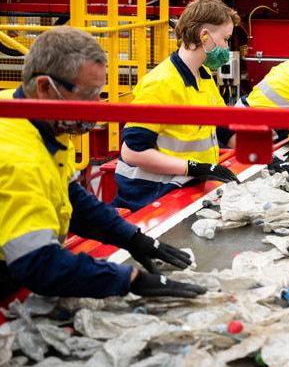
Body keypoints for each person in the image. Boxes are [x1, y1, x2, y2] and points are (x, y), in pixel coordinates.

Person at [0, 26, 205, 299]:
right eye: (88, 95)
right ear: (45, 87)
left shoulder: (31, 117)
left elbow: (71, 198)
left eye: (100, 91)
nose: (98, 104)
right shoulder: (17, 158)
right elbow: (39, 265)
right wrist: (128, 279)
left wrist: (132, 237)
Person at [113, 0, 241, 212]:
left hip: (185, 187)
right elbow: (132, 152)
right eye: (225, 39)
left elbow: (225, 129)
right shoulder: (161, 83)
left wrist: (266, 157)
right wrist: (194, 167)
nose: (227, 48)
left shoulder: (203, 76)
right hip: (152, 197)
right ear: (204, 36)